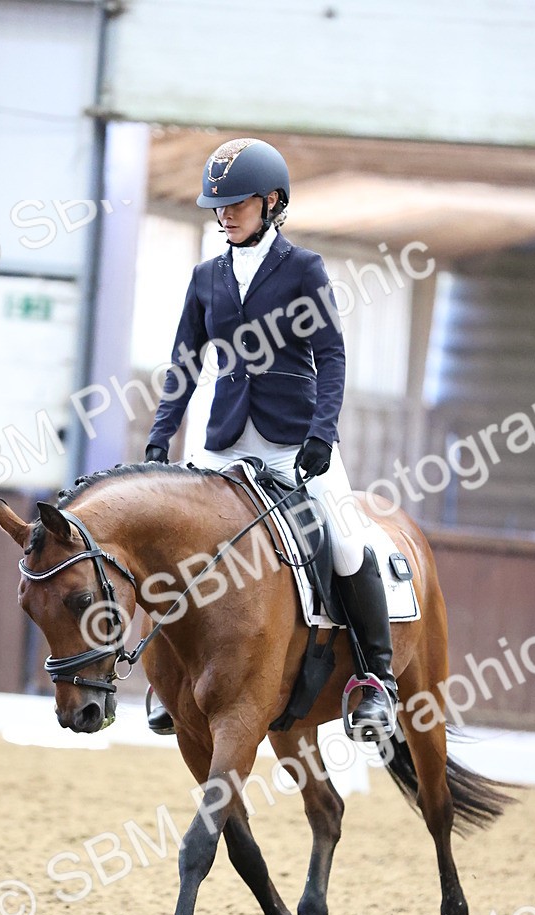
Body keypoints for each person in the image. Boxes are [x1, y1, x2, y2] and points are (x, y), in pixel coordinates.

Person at [143, 137, 398, 740]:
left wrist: (322, 432)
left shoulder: (303, 268)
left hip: (294, 440)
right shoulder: (206, 278)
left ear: (272, 202)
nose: (225, 214)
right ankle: (169, 677)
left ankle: (375, 681)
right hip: (224, 438)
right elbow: (185, 363)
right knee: (176, 543)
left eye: (237, 202)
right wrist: (160, 436)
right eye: (219, 205)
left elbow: (331, 357)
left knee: (345, 542)